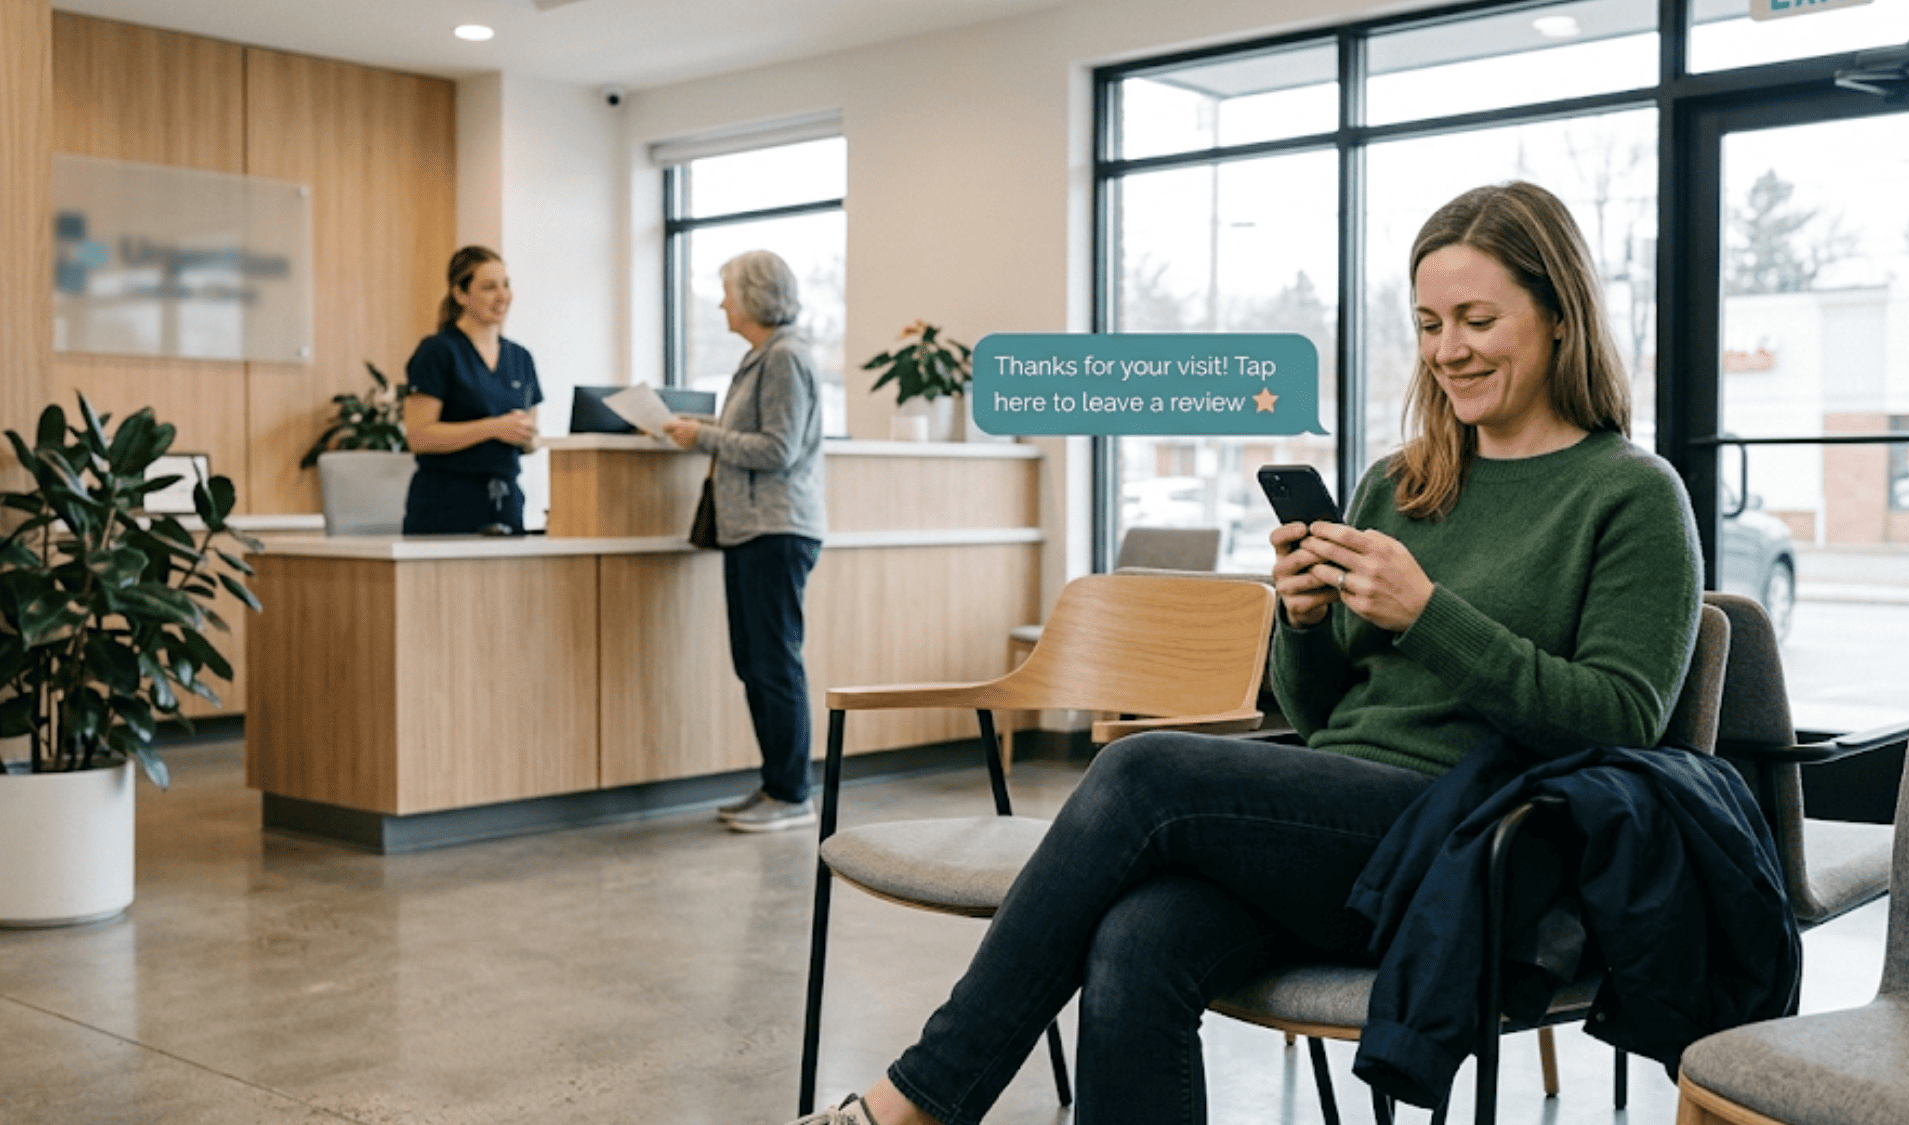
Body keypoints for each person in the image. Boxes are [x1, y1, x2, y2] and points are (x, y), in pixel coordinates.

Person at [782, 180, 1703, 1125]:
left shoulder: (1632, 494)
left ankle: (918, 1102)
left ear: (1558, 316)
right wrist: (1300, 622)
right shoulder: (1403, 482)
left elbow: (1625, 724)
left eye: (1477, 319)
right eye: (1428, 322)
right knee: (1140, 936)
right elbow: (1322, 714)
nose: (1447, 350)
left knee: (1142, 771)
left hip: (1484, 843)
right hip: (1343, 825)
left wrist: (1428, 613)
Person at [664, 250, 827, 833]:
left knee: (773, 663)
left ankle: (792, 795)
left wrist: (706, 437)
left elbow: (777, 449)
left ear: (755, 297)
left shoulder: (784, 358)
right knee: (755, 662)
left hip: (776, 529)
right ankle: (776, 784)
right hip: (751, 529)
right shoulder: (760, 358)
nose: (722, 302)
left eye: (728, 291)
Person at [401, 245, 542, 535]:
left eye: (506, 284)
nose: (503, 296)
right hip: (447, 506)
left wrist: (528, 437)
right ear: (460, 294)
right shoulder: (438, 352)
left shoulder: (521, 358)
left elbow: (530, 437)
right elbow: (419, 436)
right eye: (489, 287)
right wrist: (493, 428)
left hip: (506, 504)